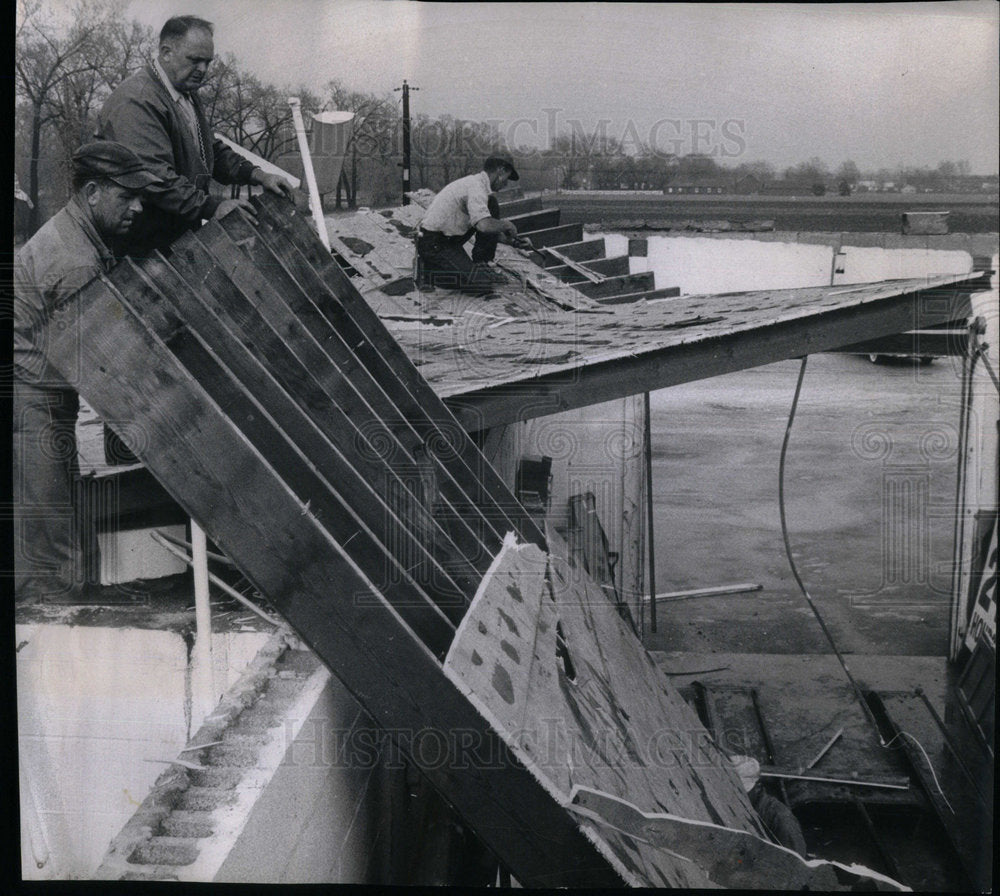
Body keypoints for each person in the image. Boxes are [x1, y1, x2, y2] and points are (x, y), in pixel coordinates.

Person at [12, 141, 162, 603]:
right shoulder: (75, 261)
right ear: (93, 192)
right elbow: (105, 370)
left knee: (59, 515)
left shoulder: (80, 236)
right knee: (47, 527)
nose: (138, 207)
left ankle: (73, 595)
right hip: (30, 396)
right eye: (127, 196)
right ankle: (54, 615)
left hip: (42, 389)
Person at [96, 15, 293, 255]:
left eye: (208, 62)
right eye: (195, 60)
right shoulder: (137, 100)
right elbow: (156, 178)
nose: (203, 69)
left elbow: (209, 150)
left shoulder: (183, 94)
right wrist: (212, 207)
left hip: (173, 230)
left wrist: (258, 175)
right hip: (137, 240)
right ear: (166, 52)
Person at [415, 155, 527, 294]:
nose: (506, 184)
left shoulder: (477, 185)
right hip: (433, 242)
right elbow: (484, 226)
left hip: (448, 239)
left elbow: (485, 228)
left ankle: (482, 263)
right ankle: (430, 272)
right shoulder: (476, 188)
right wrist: (507, 225)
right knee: (481, 285)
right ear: (501, 170)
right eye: (506, 178)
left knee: (491, 204)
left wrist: (513, 242)